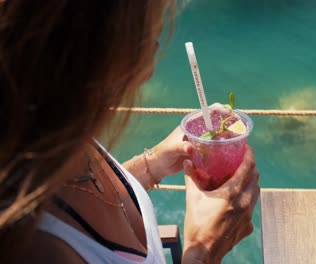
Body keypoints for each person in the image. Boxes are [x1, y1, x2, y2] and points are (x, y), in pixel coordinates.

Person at [0, 1, 260, 263]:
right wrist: (204, 251)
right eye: (147, 39)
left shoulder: (56, 133)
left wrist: (150, 166)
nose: (151, 65)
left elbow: (87, 213)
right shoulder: (36, 249)